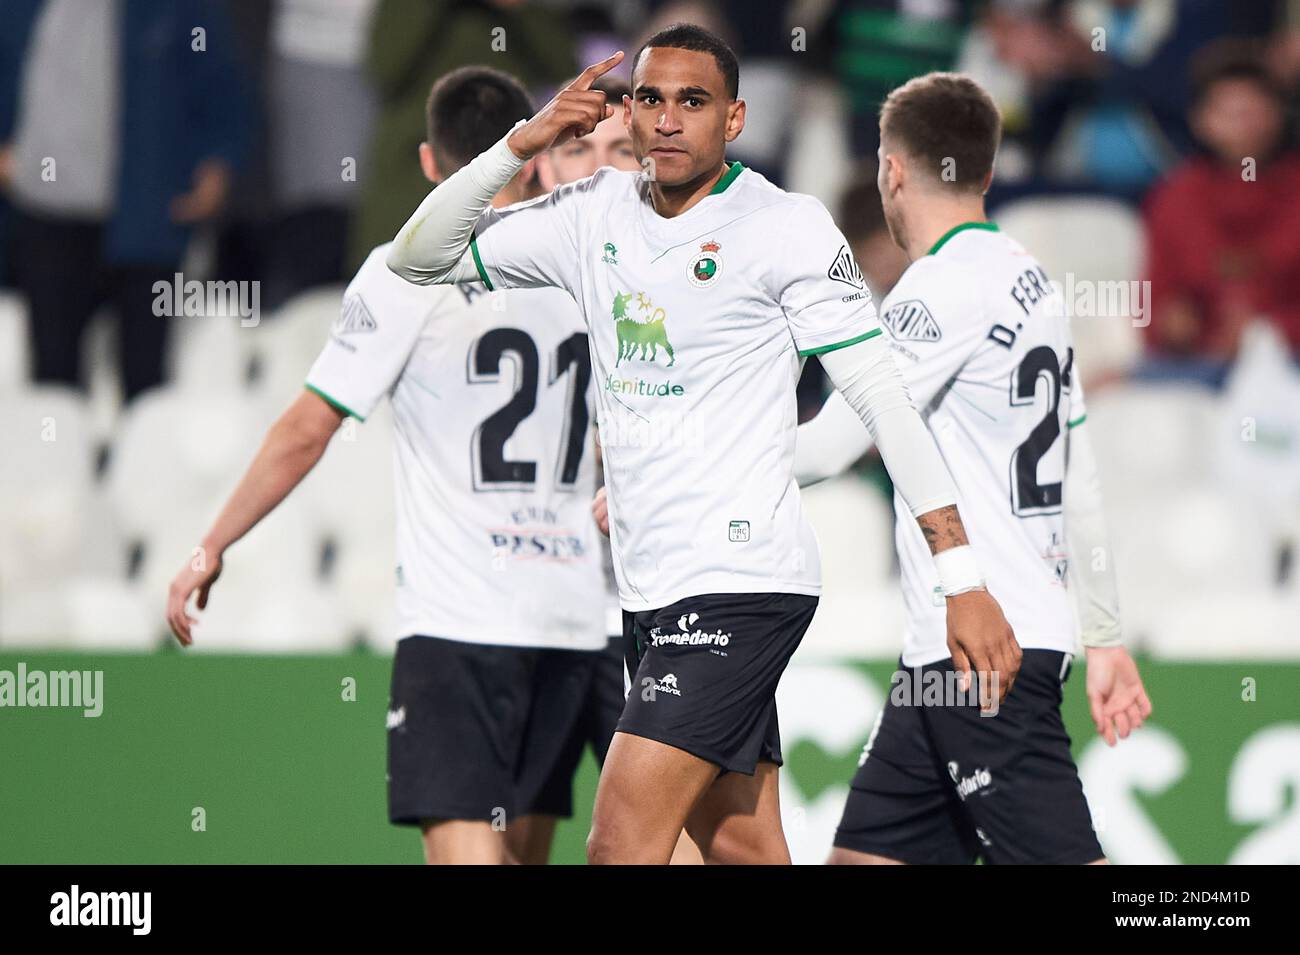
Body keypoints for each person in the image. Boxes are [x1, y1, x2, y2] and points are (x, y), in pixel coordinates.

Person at [385, 24, 1020, 865]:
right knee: (741, 846)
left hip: (741, 585)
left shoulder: (785, 227)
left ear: (735, 117)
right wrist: (523, 141)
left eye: (694, 101)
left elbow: (879, 398)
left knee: (619, 845)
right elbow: (418, 257)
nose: (670, 118)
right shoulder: (589, 217)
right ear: (630, 113)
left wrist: (961, 575)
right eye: (651, 98)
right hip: (652, 594)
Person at [166, 66, 611, 865]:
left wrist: (214, 541)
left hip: (460, 621)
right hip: (575, 618)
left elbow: (307, 429)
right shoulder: (585, 262)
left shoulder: (409, 269)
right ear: (534, 156)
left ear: (431, 163)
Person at [792, 72, 1152, 865]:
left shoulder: (935, 291)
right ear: (985, 171)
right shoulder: (1030, 279)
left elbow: (828, 446)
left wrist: (679, 459)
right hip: (954, 658)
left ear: (891, 168)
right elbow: (1079, 476)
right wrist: (1104, 634)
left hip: (983, 656)